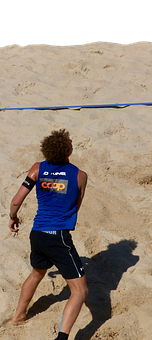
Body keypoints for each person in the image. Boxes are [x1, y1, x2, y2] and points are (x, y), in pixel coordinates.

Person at [9, 129, 88, 340]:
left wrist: (12, 217)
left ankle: (18, 316)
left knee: (37, 272)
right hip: (59, 236)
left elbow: (17, 201)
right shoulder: (80, 176)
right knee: (80, 292)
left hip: (37, 233)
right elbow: (75, 207)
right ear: (68, 151)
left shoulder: (37, 168)